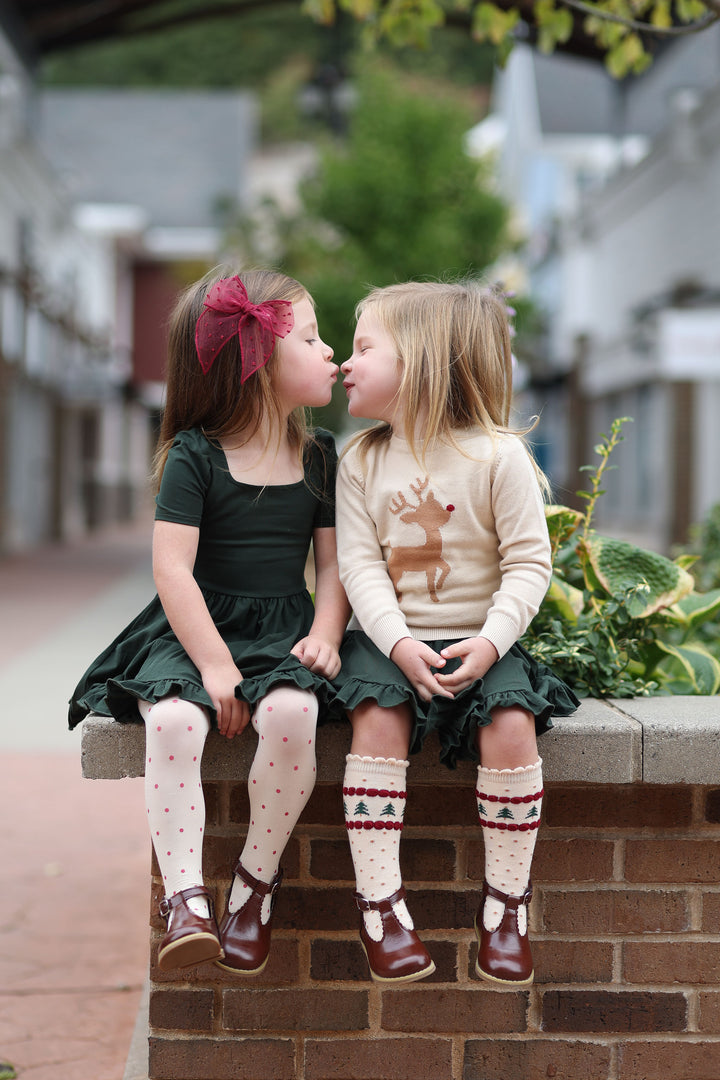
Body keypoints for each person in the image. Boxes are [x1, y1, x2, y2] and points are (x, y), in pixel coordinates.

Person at [69, 267, 349, 976]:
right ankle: (186, 898)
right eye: (312, 338)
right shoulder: (195, 457)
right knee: (172, 723)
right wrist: (215, 664)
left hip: (284, 628)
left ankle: (255, 882)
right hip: (199, 627)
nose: (331, 354)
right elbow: (172, 570)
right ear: (253, 363)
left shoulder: (319, 457)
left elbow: (335, 566)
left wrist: (325, 631)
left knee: (292, 715)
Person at [332, 280, 579, 987]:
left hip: (483, 637)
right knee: (376, 719)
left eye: (364, 348)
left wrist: (493, 643)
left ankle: (507, 905)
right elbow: (359, 564)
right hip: (391, 640)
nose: (347, 364)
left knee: (510, 727)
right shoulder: (361, 459)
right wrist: (399, 642)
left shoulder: (496, 456)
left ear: (423, 360)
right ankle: (381, 907)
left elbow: (529, 561)